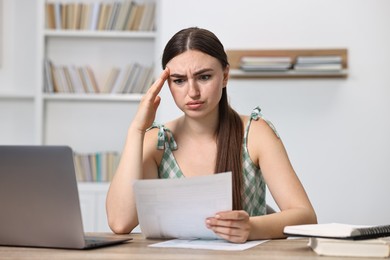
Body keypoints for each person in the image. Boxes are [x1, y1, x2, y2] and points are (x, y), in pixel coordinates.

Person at [106, 27, 317, 243]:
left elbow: (306, 218)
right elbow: (120, 222)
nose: (193, 92)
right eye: (179, 80)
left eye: (204, 77)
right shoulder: (157, 141)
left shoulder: (255, 133)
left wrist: (251, 228)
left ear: (225, 76)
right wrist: (136, 130)